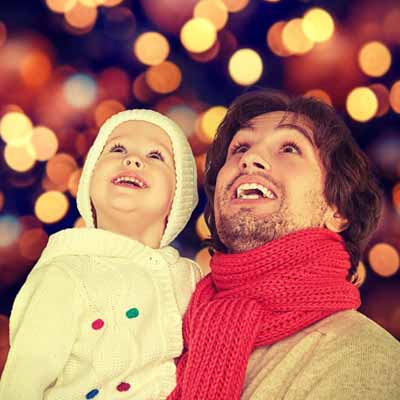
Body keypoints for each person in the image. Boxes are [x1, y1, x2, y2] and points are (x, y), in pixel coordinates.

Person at [168, 90, 400, 399]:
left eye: (289, 148)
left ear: (338, 210)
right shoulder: (166, 331)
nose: (249, 158)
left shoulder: (366, 360)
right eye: (240, 148)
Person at [0, 109, 202, 399]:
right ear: (90, 182)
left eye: (156, 156)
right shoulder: (65, 274)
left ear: (178, 198)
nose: (132, 159)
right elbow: (23, 382)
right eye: (117, 149)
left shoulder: (193, 278)